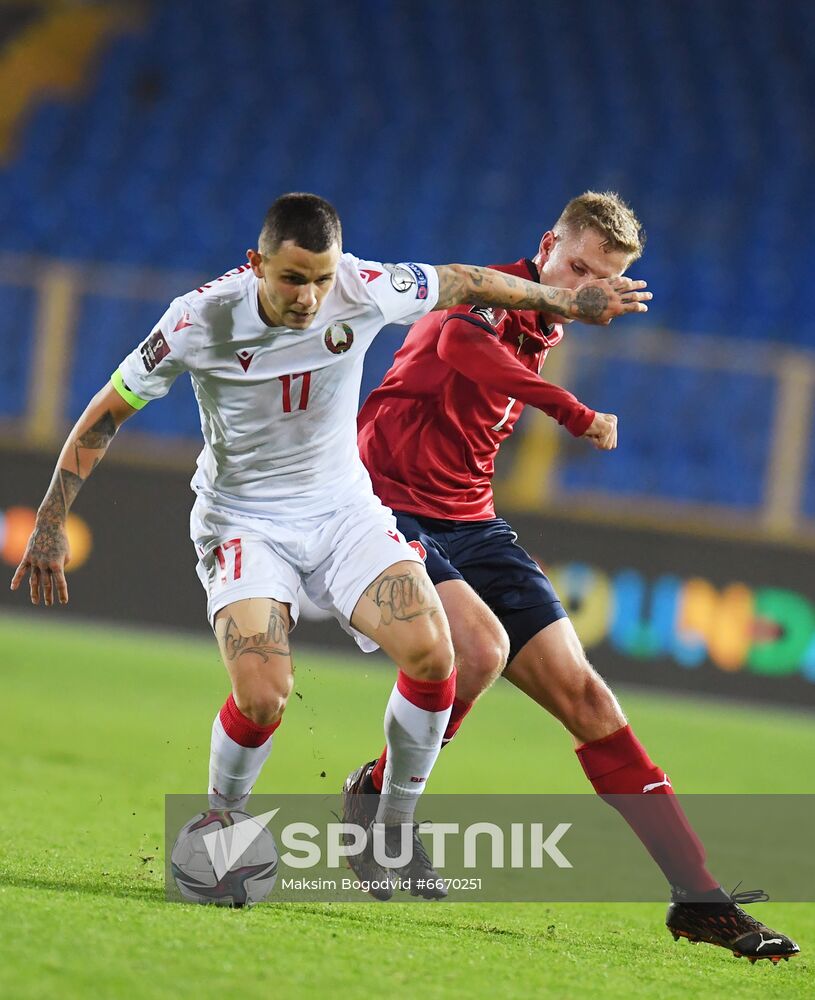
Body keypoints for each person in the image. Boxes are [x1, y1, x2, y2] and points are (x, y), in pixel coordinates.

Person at [9, 192, 650, 903]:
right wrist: (48, 521)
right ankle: (221, 820)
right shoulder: (198, 319)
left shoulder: (362, 285)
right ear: (257, 265)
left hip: (344, 513)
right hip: (244, 522)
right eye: (292, 278)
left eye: (321, 278)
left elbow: (467, 280)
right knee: (263, 697)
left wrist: (565, 303)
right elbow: (107, 412)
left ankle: (386, 831)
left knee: (439, 653)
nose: (310, 296)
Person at [342, 191, 799, 961]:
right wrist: (570, 410)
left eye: (604, 279)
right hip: (384, 506)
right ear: (547, 245)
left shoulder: (549, 323)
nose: (587, 286)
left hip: (472, 519)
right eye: (577, 267)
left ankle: (698, 899)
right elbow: (457, 349)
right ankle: (385, 812)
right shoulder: (488, 290)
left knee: (589, 699)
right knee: (478, 653)